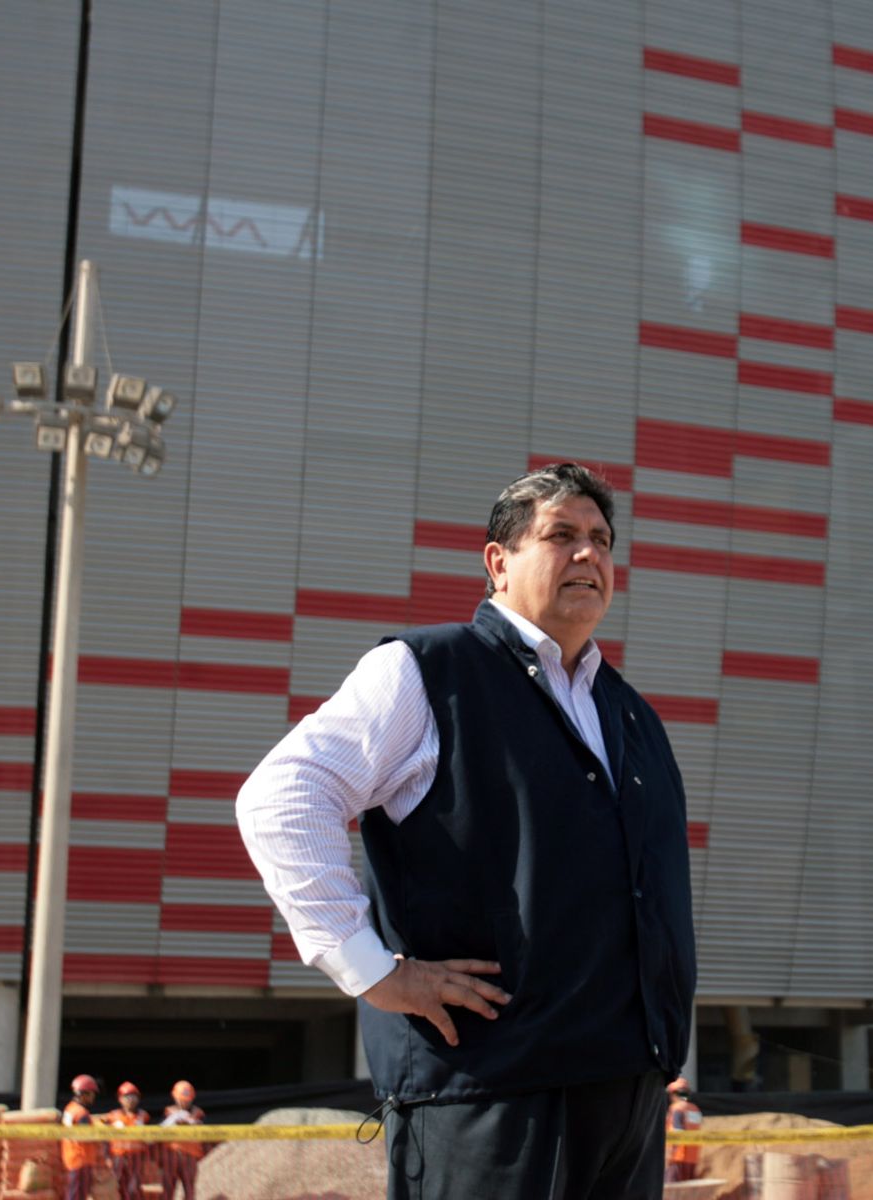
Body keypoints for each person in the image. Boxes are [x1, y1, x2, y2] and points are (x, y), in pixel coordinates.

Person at [238, 463, 697, 1200]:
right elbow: (283, 797)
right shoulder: (427, 671)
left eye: (602, 540)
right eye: (562, 535)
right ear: (498, 562)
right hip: (491, 1096)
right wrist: (376, 971)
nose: (590, 555)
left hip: (629, 1092)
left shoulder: (630, 713)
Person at [60, 1074, 106, 1200]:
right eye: (92, 1094)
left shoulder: (70, 1109)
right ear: (84, 1094)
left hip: (72, 1157)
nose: (93, 1097)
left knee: (73, 1193)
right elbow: (86, 1136)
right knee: (78, 1195)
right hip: (82, 1159)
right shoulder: (81, 1113)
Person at [159, 1080, 206, 1200]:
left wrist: (190, 1122)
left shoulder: (198, 1113)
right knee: (168, 1189)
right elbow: (160, 1129)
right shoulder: (168, 1112)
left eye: (187, 1099)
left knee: (189, 1189)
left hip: (190, 1156)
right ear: (174, 1097)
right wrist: (173, 1121)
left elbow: (204, 1131)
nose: (184, 1102)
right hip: (171, 1155)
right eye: (181, 1099)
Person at [103, 1082, 150, 1200]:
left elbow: (150, 1138)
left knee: (133, 1187)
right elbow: (99, 1128)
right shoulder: (113, 1116)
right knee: (116, 1185)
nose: (130, 1101)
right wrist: (106, 1156)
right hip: (117, 1156)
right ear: (120, 1099)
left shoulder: (143, 1116)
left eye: (134, 1097)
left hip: (136, 1157)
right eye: (127, 1097)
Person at [664, 1076, 703, 1183]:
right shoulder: (695, 1109)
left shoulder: (676, 1109)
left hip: (677, 1156)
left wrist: (669, 1155)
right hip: (693, 1157)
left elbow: (677, 1132)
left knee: (670, 1191)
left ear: (673, 1093)